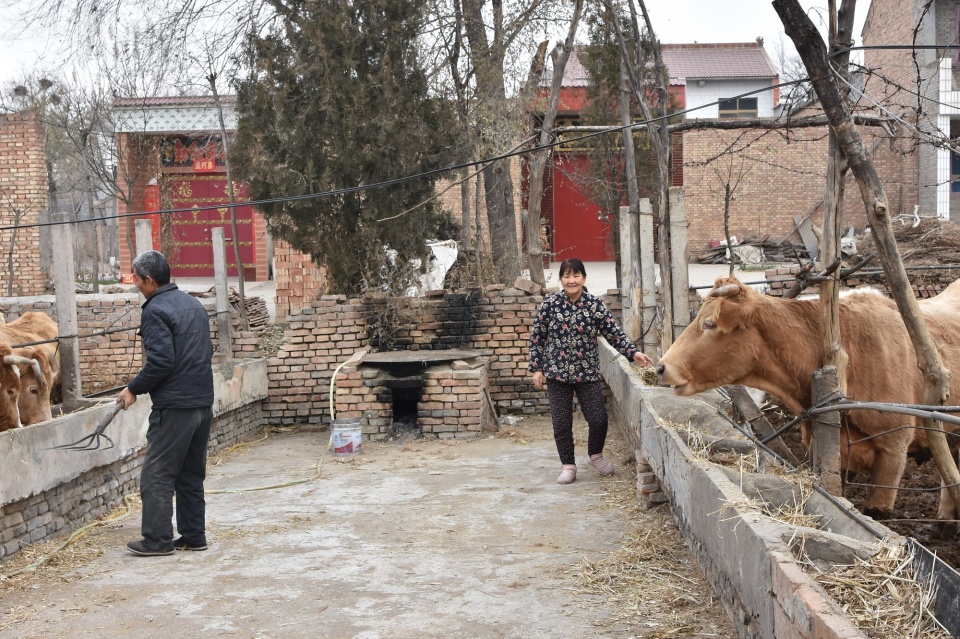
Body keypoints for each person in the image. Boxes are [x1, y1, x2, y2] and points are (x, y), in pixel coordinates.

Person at [120, 250, 215, 556]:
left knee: (157, 473)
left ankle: (158, 540)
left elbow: (161, 362)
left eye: (136, 277)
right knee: (190, 473)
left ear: (149, 280)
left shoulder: (155, 311)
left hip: (175, 406)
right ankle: (194, 535)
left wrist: (133, 388)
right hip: (202, 401)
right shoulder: (193, 305)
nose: (134, 282)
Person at [529, 258, 654, 484]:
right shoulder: (550, 304)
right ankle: (568, 465)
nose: (571, 280)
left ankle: (595, 455)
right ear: (561, 280)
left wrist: (633, 353)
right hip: (556, 373)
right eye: (566, 276)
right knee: (561, 423)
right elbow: (537, 337)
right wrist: (536, 368)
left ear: (584, 278)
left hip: (587, 372)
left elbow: (614, 333)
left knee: (598, 419)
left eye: (576, 275)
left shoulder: (594, 305)